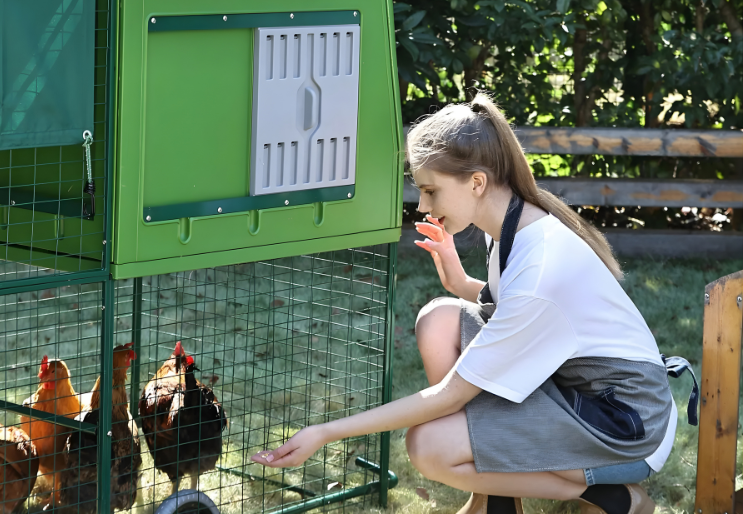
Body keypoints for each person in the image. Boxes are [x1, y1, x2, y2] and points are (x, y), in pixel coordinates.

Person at [251, 95, 696, 514]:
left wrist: (327, 431)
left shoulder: (540, 263)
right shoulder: (511, 223)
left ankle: (615, 497)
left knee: (429, 446)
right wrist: (462, 282)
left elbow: (454, 393)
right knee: (439, 319)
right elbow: (526, 314)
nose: (423, 205)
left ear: (477, 182)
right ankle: (495, 503)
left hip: (625, 425)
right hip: (573, 389)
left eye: (431, 191)